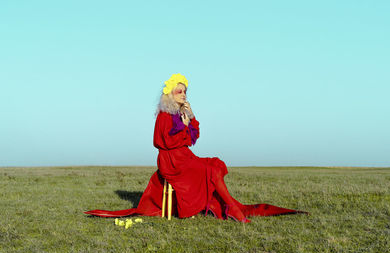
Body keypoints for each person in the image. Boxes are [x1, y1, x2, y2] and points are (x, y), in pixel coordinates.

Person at [84, 73, 307, 222]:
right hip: (171, 161)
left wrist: (190, 116)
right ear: (169, 94)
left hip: (184, 156)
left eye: (185, 91)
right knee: (208, 170)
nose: (183, 94)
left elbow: (193, 137)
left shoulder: (181, 113)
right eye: (179, 91)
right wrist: (185, 126)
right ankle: (233, 209)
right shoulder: (163, 115)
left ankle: (229, 206)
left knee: (215, 164)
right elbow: (165, 142)